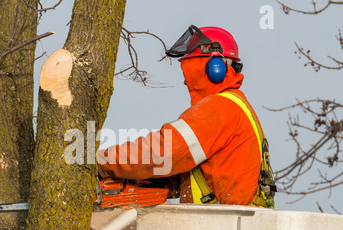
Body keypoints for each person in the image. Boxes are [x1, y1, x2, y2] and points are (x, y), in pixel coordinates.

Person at [97, 25, 276, 207]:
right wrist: (136, 178)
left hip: (222, 225)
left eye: (189, 72)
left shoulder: (219, 108)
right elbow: (197, 171)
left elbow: (165, 151)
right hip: (231, 222)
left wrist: (103, 161)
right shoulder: (237, 105)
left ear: (215, 67)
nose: (185, 81)